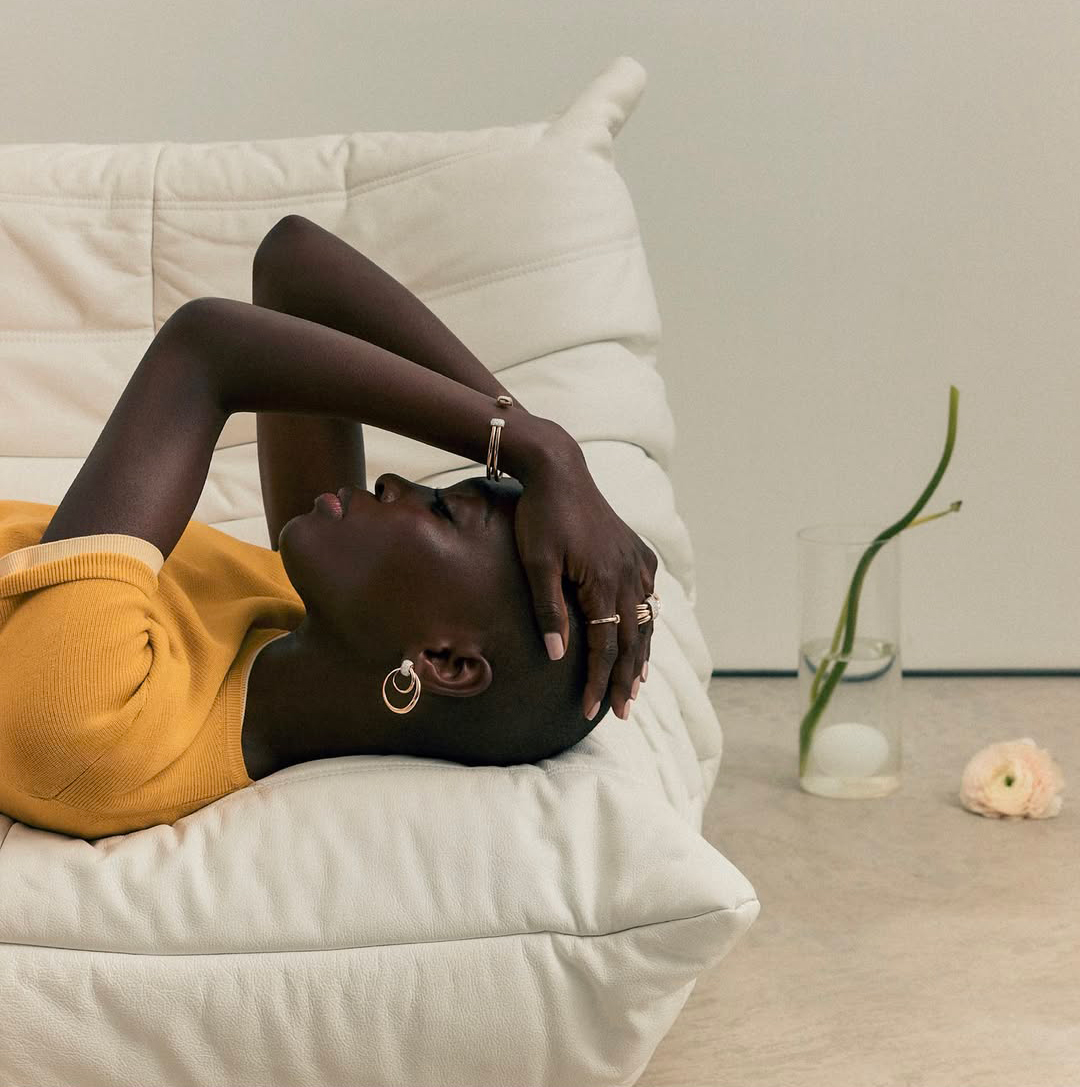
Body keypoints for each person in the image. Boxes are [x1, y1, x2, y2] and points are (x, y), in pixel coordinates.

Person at [0, 215, 658, 838]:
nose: (394, 483)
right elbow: (293, 264)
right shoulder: (304, 621)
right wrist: (542, 462)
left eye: (441, 508)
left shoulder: (101, 722)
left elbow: (202, 348)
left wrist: (541, 449)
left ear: (443, 662)